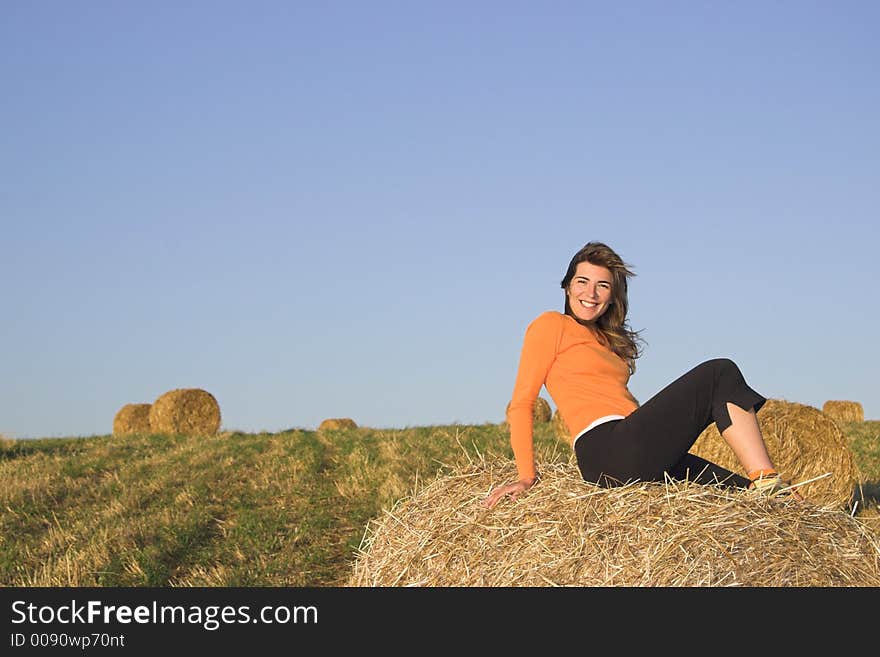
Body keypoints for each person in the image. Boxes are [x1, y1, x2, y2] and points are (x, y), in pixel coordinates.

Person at [483, 241, 801, 509]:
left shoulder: (608, 342)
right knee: (720, 373)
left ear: (611, 296)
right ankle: (766, 477)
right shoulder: (551, 324)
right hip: (607, 449)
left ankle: (769, 493)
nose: (590, 293)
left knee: (748, 499)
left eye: (602, 285)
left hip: (632, 448)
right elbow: (522, 403)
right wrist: (527, 476)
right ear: (567, 287)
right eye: (582, 282)